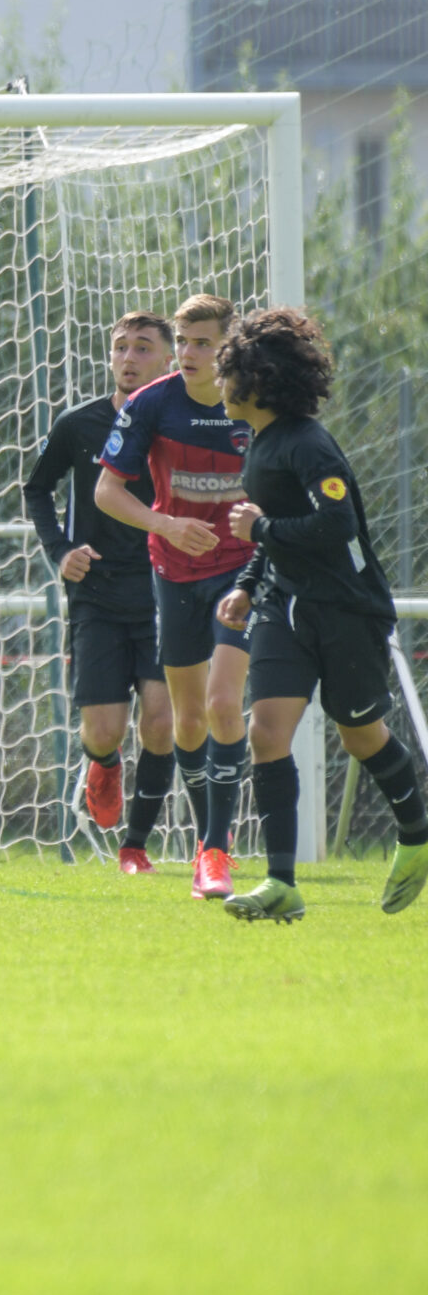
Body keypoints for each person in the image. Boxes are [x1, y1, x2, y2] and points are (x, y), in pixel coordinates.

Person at [212, 307, 428, 922]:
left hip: (345, 609)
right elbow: (270, 531)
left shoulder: (308, 444)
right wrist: (250, 585)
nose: (220, 382)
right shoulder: (261, 442)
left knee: (358, 733)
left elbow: (336, 524)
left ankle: (416, 834)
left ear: (258, 381)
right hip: (286, 603)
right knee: (266, 730)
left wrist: (261, 528)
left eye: (228, 370)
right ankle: (282, 882)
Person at [95, 294, 255, 900]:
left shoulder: (253, 403)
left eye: (201, 342)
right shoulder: (151, 404)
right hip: (175, 571)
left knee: (222, 705)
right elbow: (108, 492)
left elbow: (283, 479)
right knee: (186, 719)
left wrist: (262, 518)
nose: (187, 353)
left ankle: (216, 849)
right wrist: (166, 526)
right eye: (182, 341)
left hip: (240, 570)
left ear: (228, 347)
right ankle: (202, 842)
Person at [22, 311, 177, 872]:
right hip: (97, 594)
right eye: (120, 348)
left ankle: (135, 846)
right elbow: (37, 489)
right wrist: (60, 550)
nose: (129, 358)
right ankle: (102, 762)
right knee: (104, 730)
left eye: (142, 348)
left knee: (163, 721)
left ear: (168, 360)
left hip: (165, 587)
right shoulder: (78, 425)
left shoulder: (179, 425)